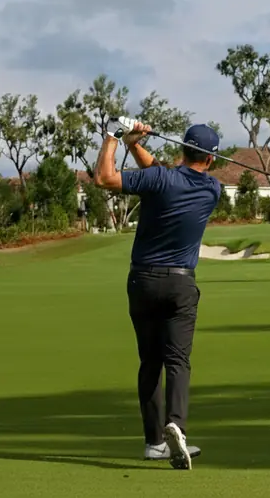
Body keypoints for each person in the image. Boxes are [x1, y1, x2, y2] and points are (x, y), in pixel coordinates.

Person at [94, 120, 221, 471]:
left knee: (150, 361)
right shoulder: (212, 188)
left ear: (182, 148)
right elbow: (162, 174)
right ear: (210, 159)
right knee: (177, 360)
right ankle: (176, 425)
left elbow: (104, 178)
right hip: (181, 285)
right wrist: (134, 145)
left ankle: (154, 443)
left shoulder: (161, 179)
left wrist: (114, 137)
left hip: (143, 281)